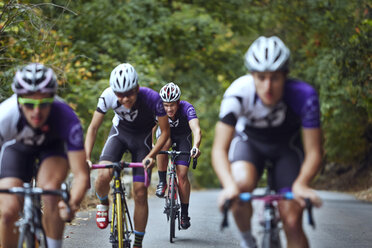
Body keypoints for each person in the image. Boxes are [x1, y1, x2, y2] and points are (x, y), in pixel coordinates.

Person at [211, 36, 323, 248]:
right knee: (239, 186)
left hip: (286, 147)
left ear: (286, 75)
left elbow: (314, 151)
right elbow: (219, 149)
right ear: (251, 75)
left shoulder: (304, 95)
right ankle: (247, 241)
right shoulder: (237, 93)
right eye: (261, 77)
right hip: (250, 143)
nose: (268, 86)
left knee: (292, 221)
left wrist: (301, 184)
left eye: (275, 78)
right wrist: (228, 186)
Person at [0, 63, 90, 248]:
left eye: (44, 104)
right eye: (29, 104)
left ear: (53, 99)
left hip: (52, 149)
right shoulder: (5, 115)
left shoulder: (66, 117)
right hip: (17, 149)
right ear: (18, 100)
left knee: (50, 192)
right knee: (8, 211)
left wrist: (72, 203)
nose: (36, 112)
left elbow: (81, 174)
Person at [85, 63, 170, 248]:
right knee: (103, 175)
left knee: (140, 193)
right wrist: (86, 157)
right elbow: (93, 128)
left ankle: (138, 242)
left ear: (137, 88)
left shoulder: (153, 99)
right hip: (119, 135)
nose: (124, 99)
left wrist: (152, 155)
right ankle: (103, 202)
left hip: (143, 141)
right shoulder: (107, 95)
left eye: (129, 94)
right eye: (119, 94)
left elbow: (165, 133)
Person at [154, 82, 202, 230]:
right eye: (166, 105)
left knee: (182, 175)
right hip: (165, 136)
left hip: (183, 138)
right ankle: (162, 182)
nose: (169, 109)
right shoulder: (157, 108)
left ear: (178, 102)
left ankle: (185, 214)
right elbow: (150, 130)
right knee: (163, 143)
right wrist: (148, 149)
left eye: (172, 105)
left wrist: (195, 146)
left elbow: (196, 130)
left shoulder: (187, 108)